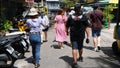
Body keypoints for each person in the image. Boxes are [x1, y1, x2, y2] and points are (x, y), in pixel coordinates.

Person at [66, 4, 90, 68]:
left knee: (74, 48)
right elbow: (87, 27)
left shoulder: (71, 17)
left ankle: (75, 62)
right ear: (80, 9)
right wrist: (88, 36)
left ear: (74, 9)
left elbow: (67, 26)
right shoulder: (84, 17)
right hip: (81, 35)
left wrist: (67, 31)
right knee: (80, 47)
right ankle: (80, 57)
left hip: (73, 35)